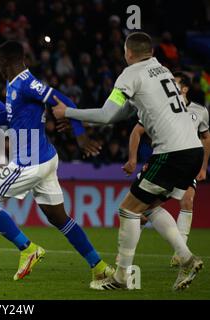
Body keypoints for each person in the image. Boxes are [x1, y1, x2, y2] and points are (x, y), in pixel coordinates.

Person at [53, 32, 204, 290]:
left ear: (129, 53)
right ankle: (187, 259)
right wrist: (82, 118)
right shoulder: (163, 70)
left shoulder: (130, 74)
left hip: (171, 153)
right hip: (193, 151)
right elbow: (123, 112)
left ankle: (122, 277)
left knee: (127, 209)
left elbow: (106, 113)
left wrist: (66, 112)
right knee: (148, 207)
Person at [0, 40, 112, 285]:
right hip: (46, 158)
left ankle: (27, 249)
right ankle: (100, 267)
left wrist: (80, 135)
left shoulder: (26, 83)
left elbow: (66, 102)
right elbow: (10, 117)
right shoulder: (14, 84)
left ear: (4, 62)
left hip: (29, 162)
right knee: (59, 218)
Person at [123, 71, 210, 267]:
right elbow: (137, 131)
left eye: (175, 83)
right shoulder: (161, 108)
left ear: (184, 88)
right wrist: (133, 158)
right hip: (164, 160)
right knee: (144, 210)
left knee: (187, 201)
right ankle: (131, 260)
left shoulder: (200, 111)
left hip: (186, 162)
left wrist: (203, 167)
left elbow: (206, 137)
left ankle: (181, 255)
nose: (170, 86)